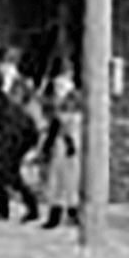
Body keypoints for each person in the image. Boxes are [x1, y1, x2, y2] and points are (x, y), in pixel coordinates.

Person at [0, 48, 42, 223]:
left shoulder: (21, 84)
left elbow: (21, 109)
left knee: (11, 173)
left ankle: (31, 205)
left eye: (4, 64)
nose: (1, 68)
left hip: (17, 134)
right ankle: (2, 208)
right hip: (1, 132)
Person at [39, 68, 83, 229]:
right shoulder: (66, 103)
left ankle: (66, 213)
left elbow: (64, 123)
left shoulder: (69, 103)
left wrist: (66, 141)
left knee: (65, 180)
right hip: (65, 143)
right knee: (61, 180)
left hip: (67, 144)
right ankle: (65, 213)